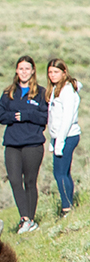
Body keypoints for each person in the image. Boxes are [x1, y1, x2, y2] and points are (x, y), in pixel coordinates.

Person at [0, 56, 49, 234]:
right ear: (16, 71)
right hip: (12, 144)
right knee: (15, 180)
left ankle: (30, 220)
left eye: (27, 68)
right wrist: (13, 116)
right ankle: (24, 218)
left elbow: (45, 117)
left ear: (33, 71)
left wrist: (26, 115)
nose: (24, 72)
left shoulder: (41, 93)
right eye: (21, 68)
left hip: (33, 144)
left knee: (30, 181)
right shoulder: (8, 92)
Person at [46, 57, 80, 218]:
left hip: (67, 136)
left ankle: (67, 208)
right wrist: (53, 140)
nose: (52, 75)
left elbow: (66, 118)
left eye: (56, 72)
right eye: (50, 72)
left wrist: (59, 142)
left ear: (64, 72)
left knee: (60, 173)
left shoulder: (67, 90)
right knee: (63, 172)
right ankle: (68, 205)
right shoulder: (55, 89)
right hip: (60, 137)